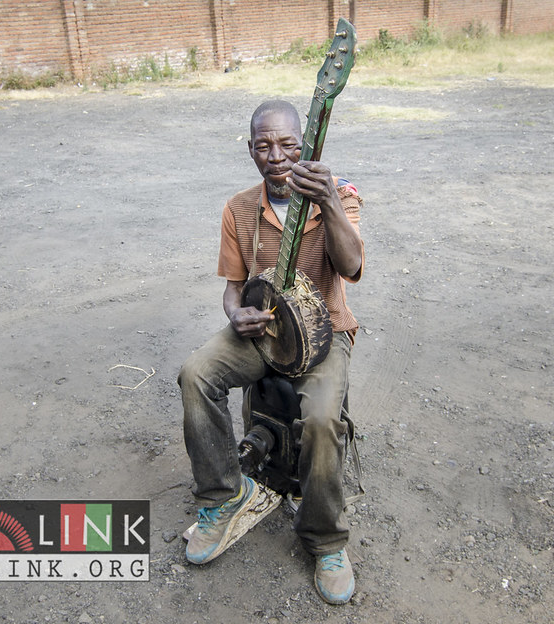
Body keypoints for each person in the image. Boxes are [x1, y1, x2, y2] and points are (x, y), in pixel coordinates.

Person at [178, 99, 364, 604]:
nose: (276, 156)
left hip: (324, 335)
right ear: (251, 151)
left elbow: (350, 267)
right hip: (262, 334)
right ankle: (225, 494)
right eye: (264, 146)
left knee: (323, 419)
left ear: (304, 145)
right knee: (196, 373)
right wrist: (235, 314)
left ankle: (325, 539)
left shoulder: (339, 195)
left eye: (287, 144)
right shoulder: (238, 208)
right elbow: (234, 288)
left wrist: (326, 200)